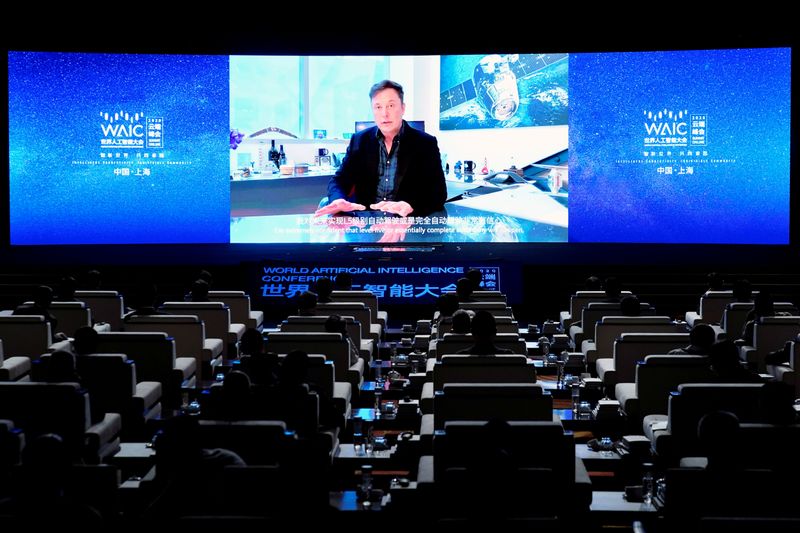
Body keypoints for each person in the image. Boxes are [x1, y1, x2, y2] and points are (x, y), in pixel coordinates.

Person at [314, 80, 447, 218]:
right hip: (366, 224)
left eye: (390, 105)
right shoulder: (360, 140)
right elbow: (339, 180)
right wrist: (338, 200)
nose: (384, 113)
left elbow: (439, 193)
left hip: (403, 223)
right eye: (378, 107)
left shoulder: (425, 143)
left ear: (403, 108)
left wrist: (411, 205)